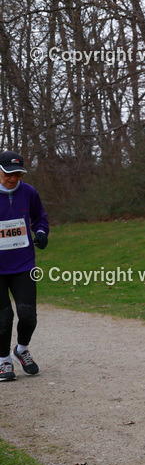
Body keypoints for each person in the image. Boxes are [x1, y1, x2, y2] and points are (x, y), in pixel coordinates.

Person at [0, 151, 48, 382]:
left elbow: (40, 218)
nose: (13, 178)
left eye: (18, 173)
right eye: (9, 173)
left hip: (23, 264)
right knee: (3, 317)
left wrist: (41, 233)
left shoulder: (28, 192)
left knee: (28, 315)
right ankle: (3, 361)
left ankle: (21, 350)